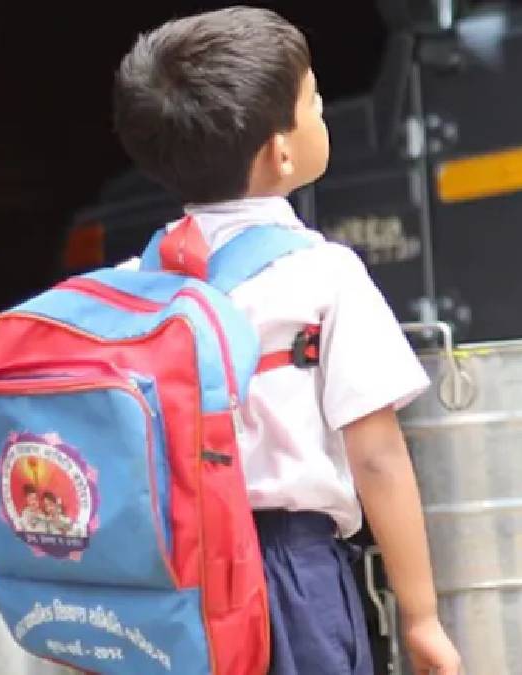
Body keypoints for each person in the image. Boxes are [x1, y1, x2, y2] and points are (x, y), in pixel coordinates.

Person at [112, 7, 461, 675]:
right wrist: (421, 616)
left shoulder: (135, 287)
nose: (322, 113)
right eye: (314, 103)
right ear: (282, 152)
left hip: (169, 584)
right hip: (291, 575)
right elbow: (378, 457)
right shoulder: (322, 274)